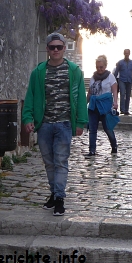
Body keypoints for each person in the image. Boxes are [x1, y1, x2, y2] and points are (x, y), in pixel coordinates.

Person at [22, 33, 87, 216]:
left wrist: (81, 122)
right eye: (52, 47)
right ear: (48, 49)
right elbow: (30, 97)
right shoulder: (38, 72)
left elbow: (80, 97)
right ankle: (54, 193)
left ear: (64, 48)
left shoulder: (74, 71)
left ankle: (59, 198)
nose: (56, 50)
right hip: (44, 124)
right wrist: (27, 118)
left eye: (59, 47)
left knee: (61, 161)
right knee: (49, 163)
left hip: (65, 124)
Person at [86, 55, 119, 157]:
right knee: (92, 129)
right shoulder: (93, 78)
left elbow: (114, 90)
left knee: (107, 128)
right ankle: (92, 150)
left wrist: (115, 102)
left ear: (105, 66)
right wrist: (85, 104)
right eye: (98, 67)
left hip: (105, 106)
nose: (99, 69)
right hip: (94, 106)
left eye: (101, 67)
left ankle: (114, 146)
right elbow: (90, 92)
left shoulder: (110, 77)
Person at [112, 49, 132, 115]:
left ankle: (126, 110)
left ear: (129, 54)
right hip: (121, 80)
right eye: (125, 53)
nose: (126, 54)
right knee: (122, 94)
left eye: (128, 53)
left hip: (129, 80)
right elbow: (116, 72)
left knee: (128, 95)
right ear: (124, 53)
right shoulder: (120, 62)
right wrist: (114, 80)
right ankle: (122, 109)